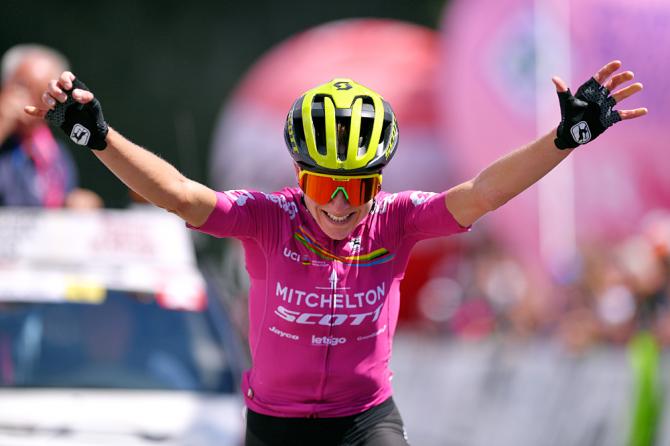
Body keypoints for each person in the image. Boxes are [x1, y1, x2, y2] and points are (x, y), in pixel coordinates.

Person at [25, 60, 646, 445]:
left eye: (360, 186)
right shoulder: (267, 220)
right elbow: (183, 197)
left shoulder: (396, 223)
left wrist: (565, 138)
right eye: (326, 185)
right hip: (276, 428)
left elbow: (481, 194)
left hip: (364, 423)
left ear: (380, 184)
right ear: (299, 176)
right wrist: (99, 138)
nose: (343, 204)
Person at [0, 44, 101, 208]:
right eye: (22, 87)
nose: (29, 100)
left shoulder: (53, 153)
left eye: (42, 93)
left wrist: (73, 204)